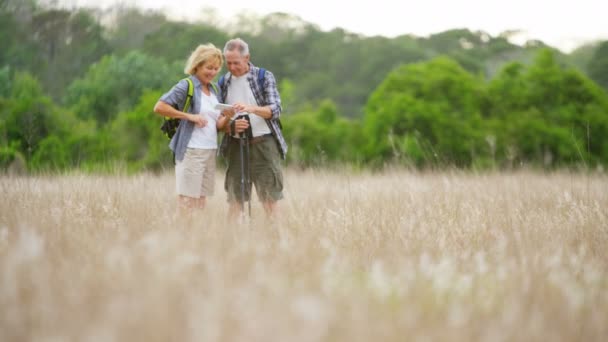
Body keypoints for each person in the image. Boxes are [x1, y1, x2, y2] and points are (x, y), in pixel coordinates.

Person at [217, 38, 287, 222]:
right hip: (235, 145)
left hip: (263, 144)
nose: (232, 67)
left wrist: (251, 108)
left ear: (247, 57)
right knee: (235, 199)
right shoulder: (223, 82)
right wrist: (231, 125)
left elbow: (276, 110)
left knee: (270, 198)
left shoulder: (264, 77)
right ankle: (230, 243)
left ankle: (279, 241)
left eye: (236, 63)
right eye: (228, 63)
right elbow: (219, 119)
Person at [153, 43, 227, 215]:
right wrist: (190, 116)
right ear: (197, 65)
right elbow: (159, 107)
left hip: (210, 150)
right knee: (187, 201)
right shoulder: (186, 85)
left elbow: (217, 124)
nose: (213, 72)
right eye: (209, 67)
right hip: (191, 150)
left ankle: (196, 239)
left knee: (201, 201)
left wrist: (229, 115)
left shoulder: (215, 89)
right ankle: (183, 237)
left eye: (216, 68)